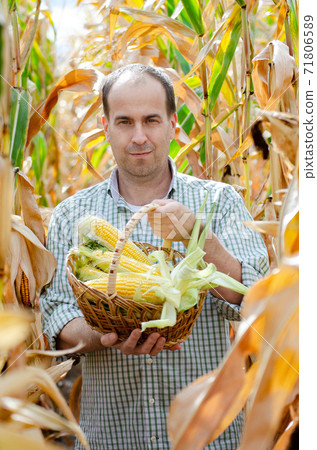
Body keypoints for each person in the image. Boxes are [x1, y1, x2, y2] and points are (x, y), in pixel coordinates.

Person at [40, 64, 269, 449]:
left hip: (207, 438)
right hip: (112, 438)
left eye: (151, 120)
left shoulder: (220, 202)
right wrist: (110, 330)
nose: (139, 136)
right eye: (125, 122)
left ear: (173, 124)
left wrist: (201, 239)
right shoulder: (71, 216)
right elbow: (60, 325)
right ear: (106, 126)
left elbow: (257, 301)